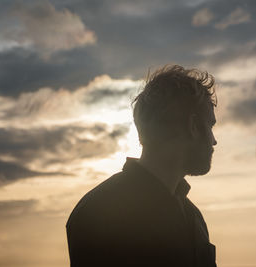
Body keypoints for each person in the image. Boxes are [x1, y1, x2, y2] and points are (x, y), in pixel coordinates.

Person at [66, 65, 218, 267]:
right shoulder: (100, 214)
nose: (214, 141)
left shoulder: (192, 217)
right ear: (193, 126)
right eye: (210, 126)